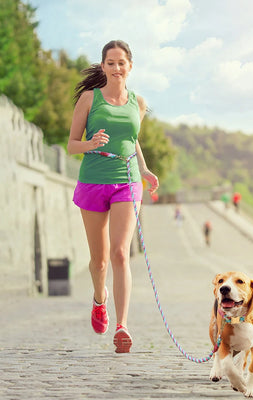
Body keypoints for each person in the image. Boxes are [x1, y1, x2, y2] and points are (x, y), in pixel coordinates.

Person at [67, 40, 159, 353]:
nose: (117, 68)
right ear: (103, 66)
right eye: (111, 63)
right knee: (100, 261)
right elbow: (71, 144)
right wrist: (90, 144)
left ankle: (122, 326)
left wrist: (144, 170)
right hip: (94, 180)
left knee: (121, 253)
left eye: (122, 62)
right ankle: (99, 298)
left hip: (127, 181)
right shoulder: (89, 99)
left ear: (130, 66)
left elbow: (131, 141)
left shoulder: (139, 103)